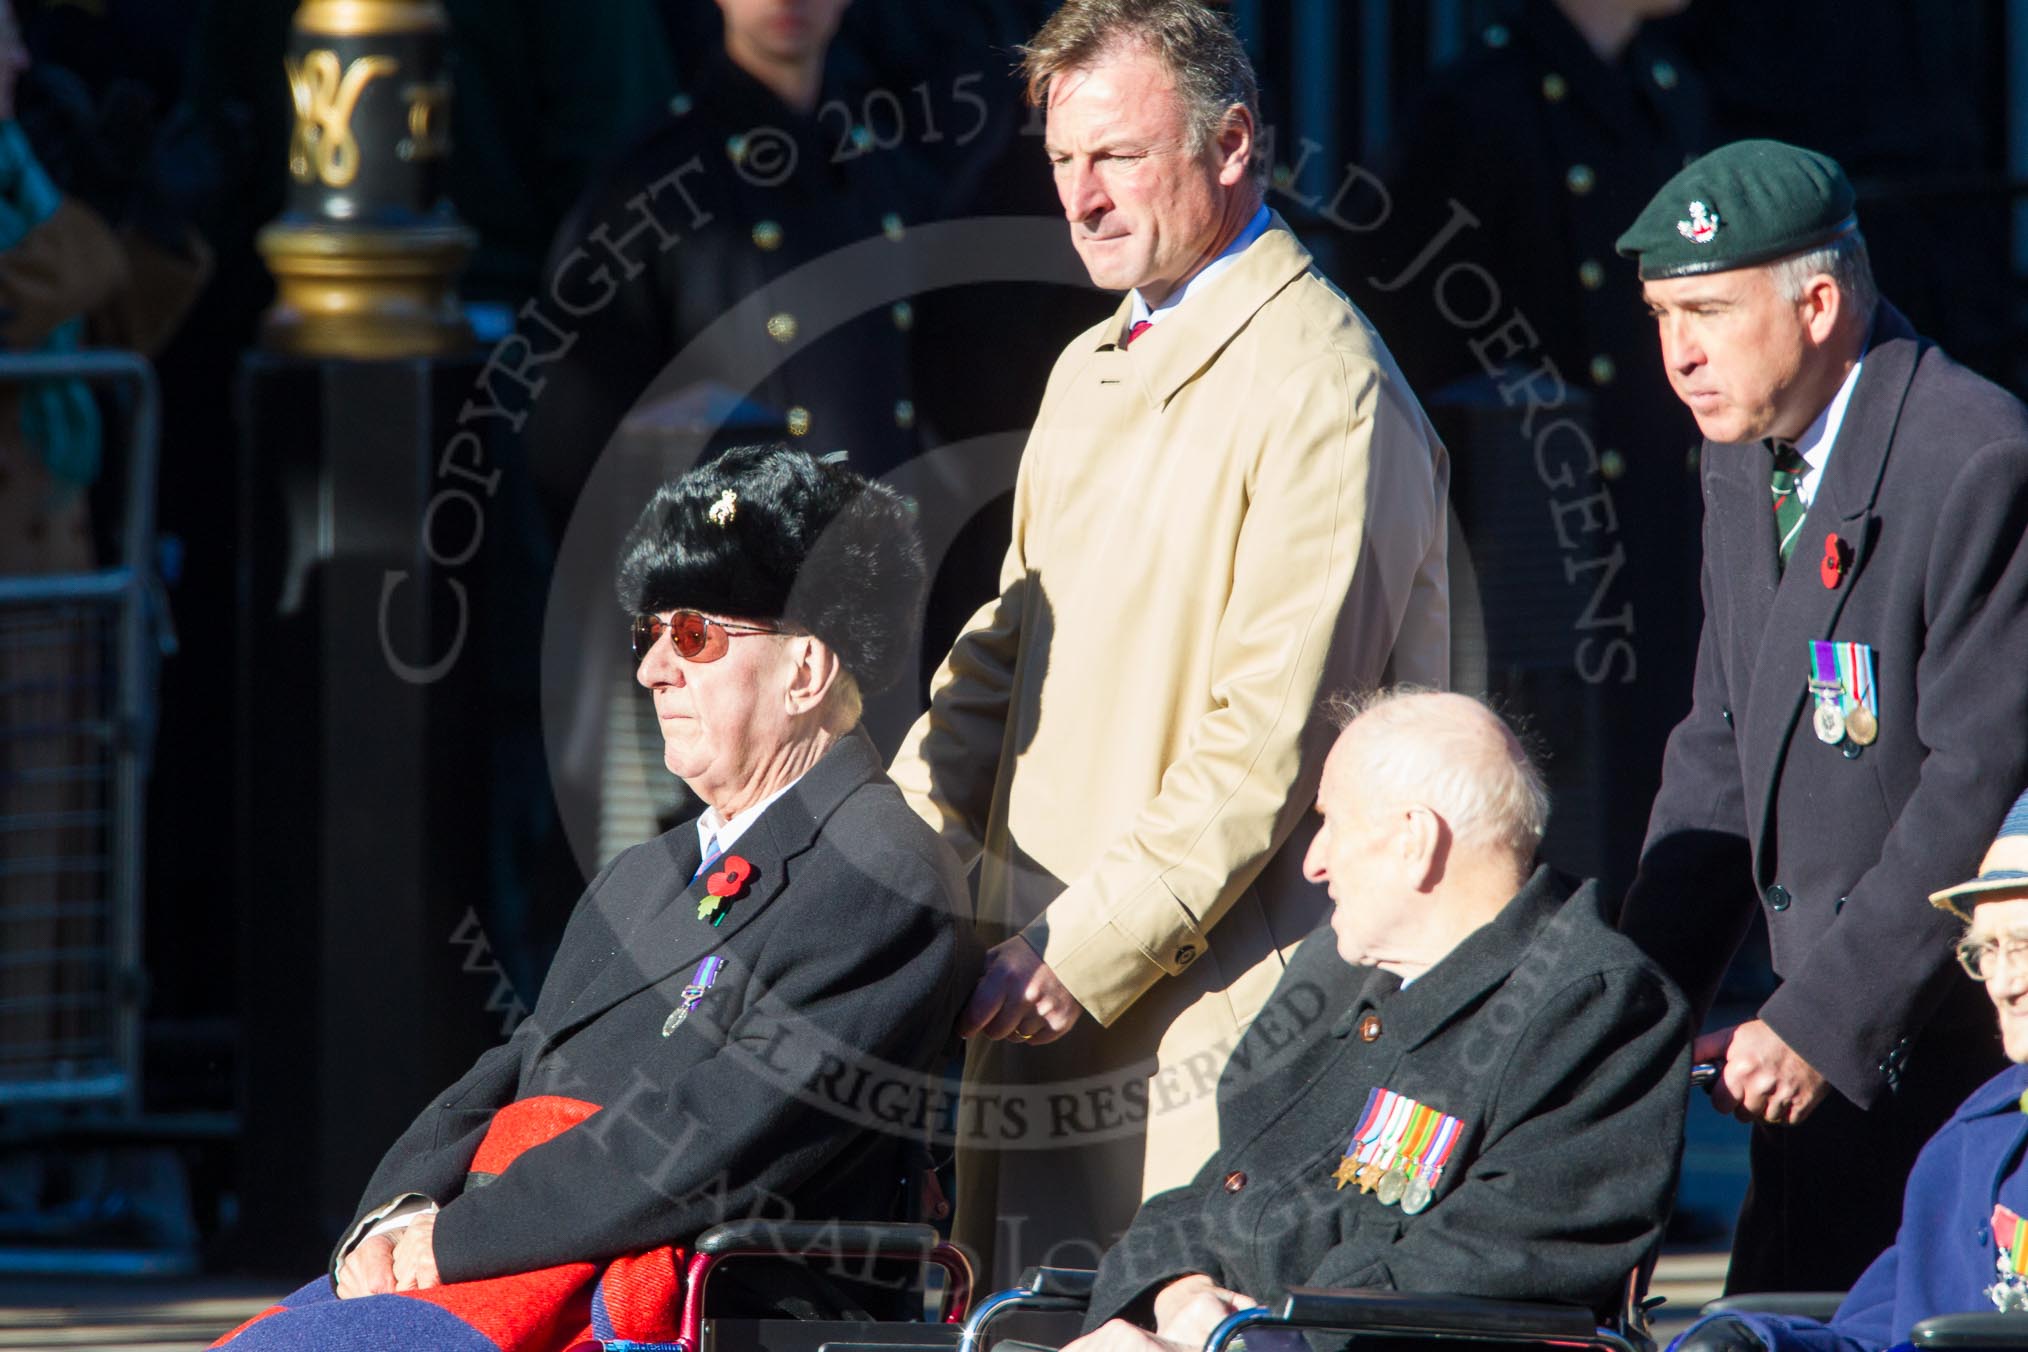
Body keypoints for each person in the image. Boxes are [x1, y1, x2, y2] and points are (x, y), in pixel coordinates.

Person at [885, 0, 1451, 1286]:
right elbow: (997, 656)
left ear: (1231, 143)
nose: (1081, 197)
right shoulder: (1091, 360)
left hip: (1216, 1020)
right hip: (1041, 989)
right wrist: (879, 866)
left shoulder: (1324, 380)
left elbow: (1275, 741)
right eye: (1062, 162)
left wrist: (1079, 950)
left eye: (1118, 158)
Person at [210, 446, 978, 1350]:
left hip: (686, 1295)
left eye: (693, 635)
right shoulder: (646, 872)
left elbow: (710, 1141)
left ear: (806, 669)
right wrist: (396, 1216)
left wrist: (456, 1241)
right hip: (530, 1257)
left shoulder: (880, 872)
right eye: (647, 634)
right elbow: (512, 1071)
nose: (655, 669)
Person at [1615, 139, 2028, 1293]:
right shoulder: (1746, 450)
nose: (1677, 353)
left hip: (1935, 1059)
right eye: (1659, 315)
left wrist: (1824, 1018)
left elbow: (1975, 780)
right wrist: (1627, 1020)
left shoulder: (1973, 454)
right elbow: (1721, 746)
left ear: (1821, 303)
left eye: (1703, 309)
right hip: (1806, 1065)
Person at [1058, 690, 1688, 1352]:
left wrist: (1249, 1341)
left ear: (1415, 841)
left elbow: (1482, 1268)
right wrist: (1179, 1293)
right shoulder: (1334, 972)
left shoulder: (1594, 1005)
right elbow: (1223, 1188)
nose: (1314, 861)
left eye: (1330, 822)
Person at [1356, 0, 1710, 904]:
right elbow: (1414, 316)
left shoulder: (1668, 86)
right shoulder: (1478, 97)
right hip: (1531, 517)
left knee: (1668, 739)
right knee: (1557, 768)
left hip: (1655, 490)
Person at [1670, 791, 2028, 1352]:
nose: (2005, 983)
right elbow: (1874, 1326)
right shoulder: (1968, 1142)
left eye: (2025, 948)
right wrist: (1757, 1341)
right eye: (1988, 951)